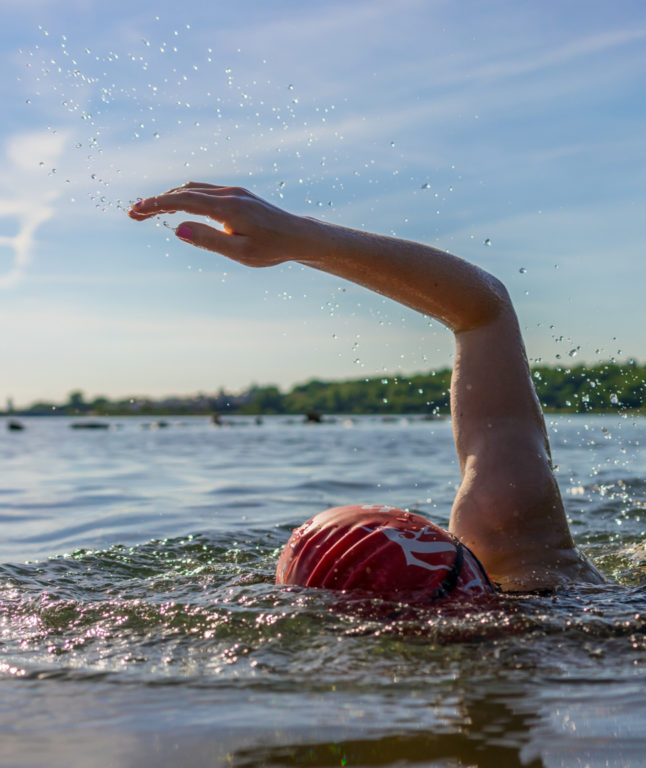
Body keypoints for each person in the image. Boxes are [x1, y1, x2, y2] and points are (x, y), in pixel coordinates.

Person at [129, 183, 604, 597]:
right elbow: (485, 310)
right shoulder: (522, 554)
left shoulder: (522, 560)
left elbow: (485, 314)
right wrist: (301, 237)